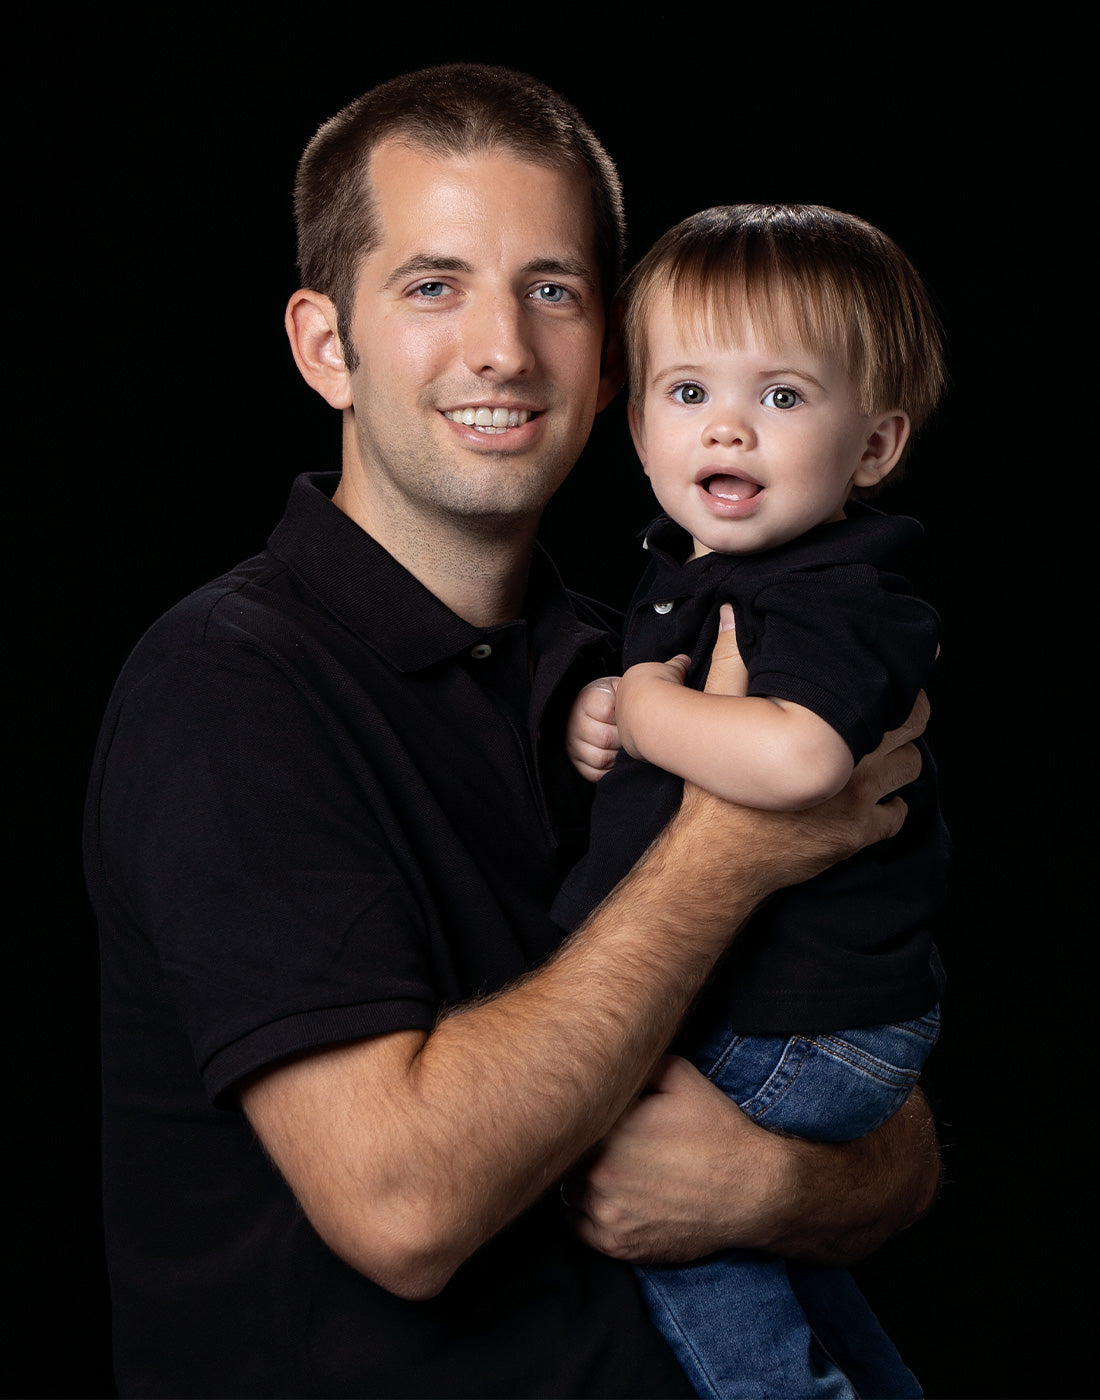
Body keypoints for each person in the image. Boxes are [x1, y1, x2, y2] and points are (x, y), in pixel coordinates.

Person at [84, 66, 940, 1398]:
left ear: (609, 366)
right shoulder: (229, 688)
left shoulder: (652, 653)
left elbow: (897, 1132)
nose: (503, 349)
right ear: (326, 346)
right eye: (434, 286)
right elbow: (403, 1208)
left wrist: (766, 1184)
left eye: (551, 290)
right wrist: (724, 852)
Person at [552, 203, 950, 1398]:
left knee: (647, 1186)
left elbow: (797, 761)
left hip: (801, 1026)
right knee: (781, 1260)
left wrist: (643, 709)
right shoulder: (697, 573)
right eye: (686, 392)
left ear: (871, 445)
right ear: (636, 426)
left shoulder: (834, 591)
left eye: (780, 395)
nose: (726, 425)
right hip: (801, 1014)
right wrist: (612, 713)